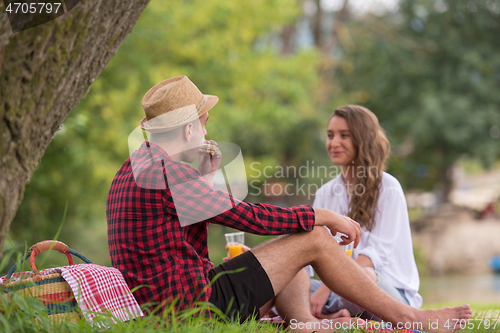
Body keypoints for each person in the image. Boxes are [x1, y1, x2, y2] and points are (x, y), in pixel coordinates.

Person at [107, 76, 471, 332]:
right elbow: (249, 216)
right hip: (195, 307)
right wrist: (323, 216)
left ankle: (306, 324)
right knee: (310, 237)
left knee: (292, 248)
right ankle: (410, 318)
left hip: (171, 305)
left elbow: (183, 231)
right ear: (189, 129)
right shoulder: (169, 174)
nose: (205, 131)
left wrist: (205, 175)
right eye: (203, 123)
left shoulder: (135, 170)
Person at [309, 105, 423, 320]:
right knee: (287, 288)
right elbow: (306, 252)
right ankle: (335, 317)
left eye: (344, 135)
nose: (334, 143)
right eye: (330, 135)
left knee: (365, 277)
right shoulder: (325, 193)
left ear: (362, 139)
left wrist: (325, 289)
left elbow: (376, 255)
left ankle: (330, 315)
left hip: (389, 295)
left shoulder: (388, 187)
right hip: (339, 292)